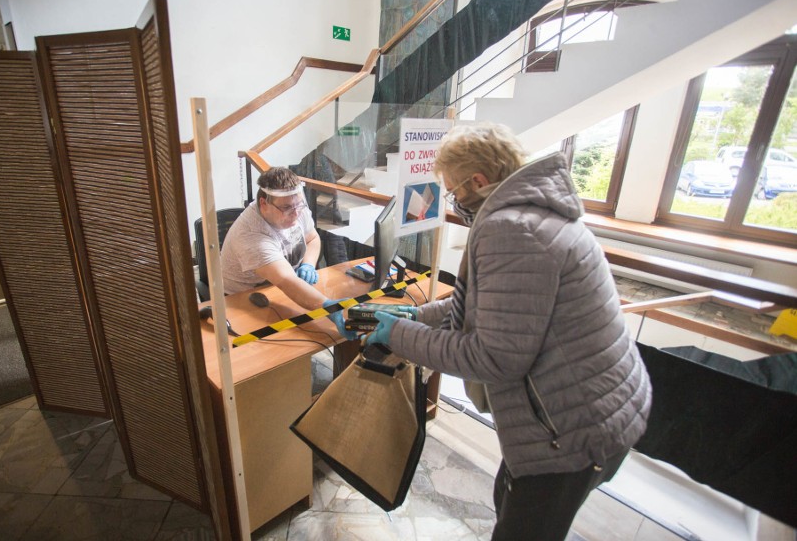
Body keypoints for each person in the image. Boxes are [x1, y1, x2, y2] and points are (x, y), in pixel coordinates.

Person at [364, 122, 651, 541]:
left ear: (478, 181)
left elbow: (493, 358)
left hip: (571, 430)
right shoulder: (531, 214)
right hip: (591, 411)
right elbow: (477, 304)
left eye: (454, 191)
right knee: (508, 497)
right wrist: (415, 318)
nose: (455, 202)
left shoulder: (511, 231)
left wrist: (397, 337)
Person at [220, 167, 354, 339]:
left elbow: (312, 238)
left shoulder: (296, 206)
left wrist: (308, 264)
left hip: (280, 286)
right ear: (264, 204)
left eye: (299, 204)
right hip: (245, 298)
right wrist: (328, 307)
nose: (296, 213)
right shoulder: (251, 235)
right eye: (287, 208)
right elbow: (286, 280)